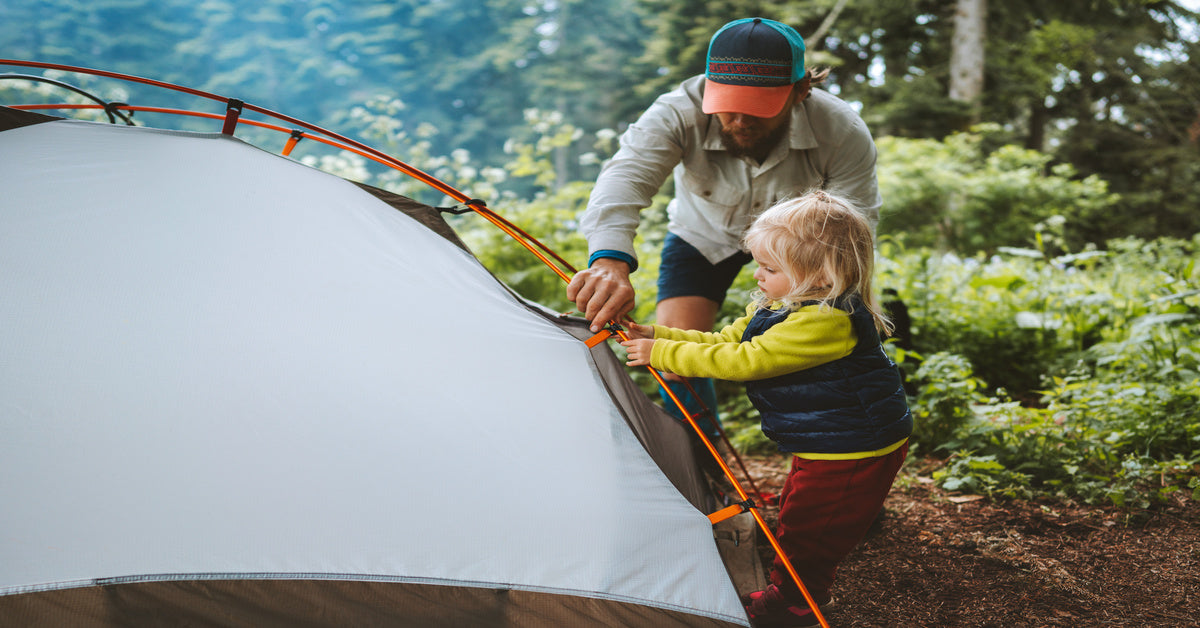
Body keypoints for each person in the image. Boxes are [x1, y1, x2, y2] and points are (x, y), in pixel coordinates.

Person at [567, 17, 881, 435]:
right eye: (727, 102)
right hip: (702, 235)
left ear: (801, 91)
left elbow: (853, 231)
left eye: (758, 107)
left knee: (824, 347)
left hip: (801, 251)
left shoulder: (842, 130)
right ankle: (703, 459)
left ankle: (840, 450)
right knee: (675, 354)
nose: (738, 119)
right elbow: (624, 179)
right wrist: (608, 259)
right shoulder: (676, 111)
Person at [620, 191, 911, 628]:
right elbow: (725, 341)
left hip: (854, 447)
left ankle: (795, 606)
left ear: (819, 275)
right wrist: (659, 334)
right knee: (797, 508)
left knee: (811, 531)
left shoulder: (825, 322)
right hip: (829, 441)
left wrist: (661, 353)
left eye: (771, 268)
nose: (757, 275)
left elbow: (746, 362)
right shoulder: (784, 305)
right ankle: (788, 586)